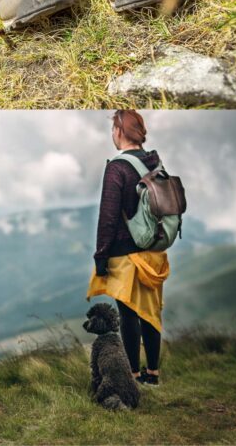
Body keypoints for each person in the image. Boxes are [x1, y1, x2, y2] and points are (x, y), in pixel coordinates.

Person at [86, 109, 170, 386]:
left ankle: (133, 374)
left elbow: (108, 216)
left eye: (113, 129)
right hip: (155, 254)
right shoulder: (155, 164)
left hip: (125, 254)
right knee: (151, 313)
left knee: (129, 314)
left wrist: (101, 256)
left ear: (119, 131)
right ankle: (153, 374)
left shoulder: (117, 167)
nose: (113, 134)